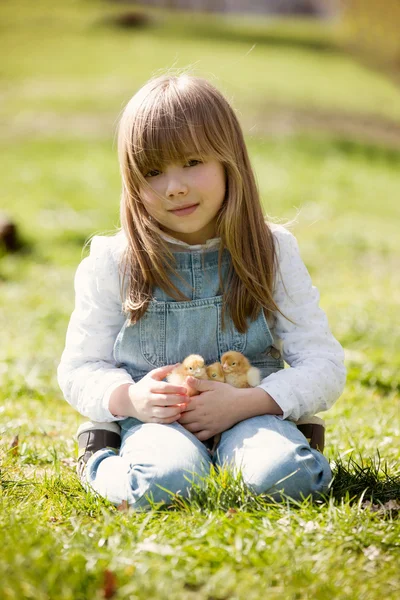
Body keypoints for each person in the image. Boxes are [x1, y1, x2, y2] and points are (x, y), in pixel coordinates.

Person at [57, 73, 346, 510]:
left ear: (231, 161)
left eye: (192, 162)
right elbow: (80, 367)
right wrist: (128, 399)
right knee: (164, 484)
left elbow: (323, 363)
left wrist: (255, 402)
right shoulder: (114, 261)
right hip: (156, 425)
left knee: (284, 478)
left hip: (250, 413)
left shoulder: (271, 251)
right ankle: (99, 454)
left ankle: (294, 441)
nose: (174, 186)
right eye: (153, 171)